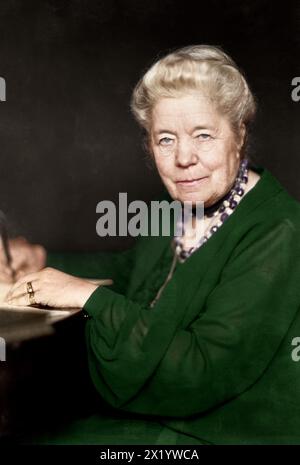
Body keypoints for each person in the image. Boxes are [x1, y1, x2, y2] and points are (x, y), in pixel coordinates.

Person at [2, 44, 300, 445]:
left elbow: (202, 370)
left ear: (239, 134)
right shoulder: (175, 205)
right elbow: (135, 274)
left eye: (203, 135)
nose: (184, 158)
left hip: (223, 428)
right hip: (158, 415)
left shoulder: (279, 231)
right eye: (165, 140)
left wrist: (88, 296)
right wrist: (42, 261)